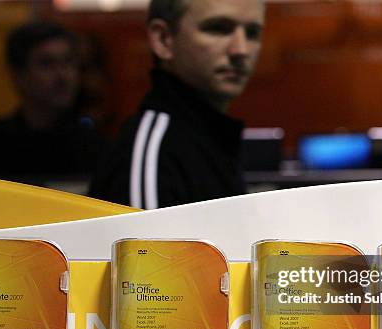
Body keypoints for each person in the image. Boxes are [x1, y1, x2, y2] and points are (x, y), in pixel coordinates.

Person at [89, 0, 265, 208]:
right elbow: (147, 241)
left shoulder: (207, 138)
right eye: (218, 28)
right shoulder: (155, 152)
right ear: (163, 39)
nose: (241, 50)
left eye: (252, 33)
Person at [0, 21, 103, 184]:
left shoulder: (95, 148)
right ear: (18, 75)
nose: (62, 75)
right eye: (46, 64)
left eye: (68, 62)